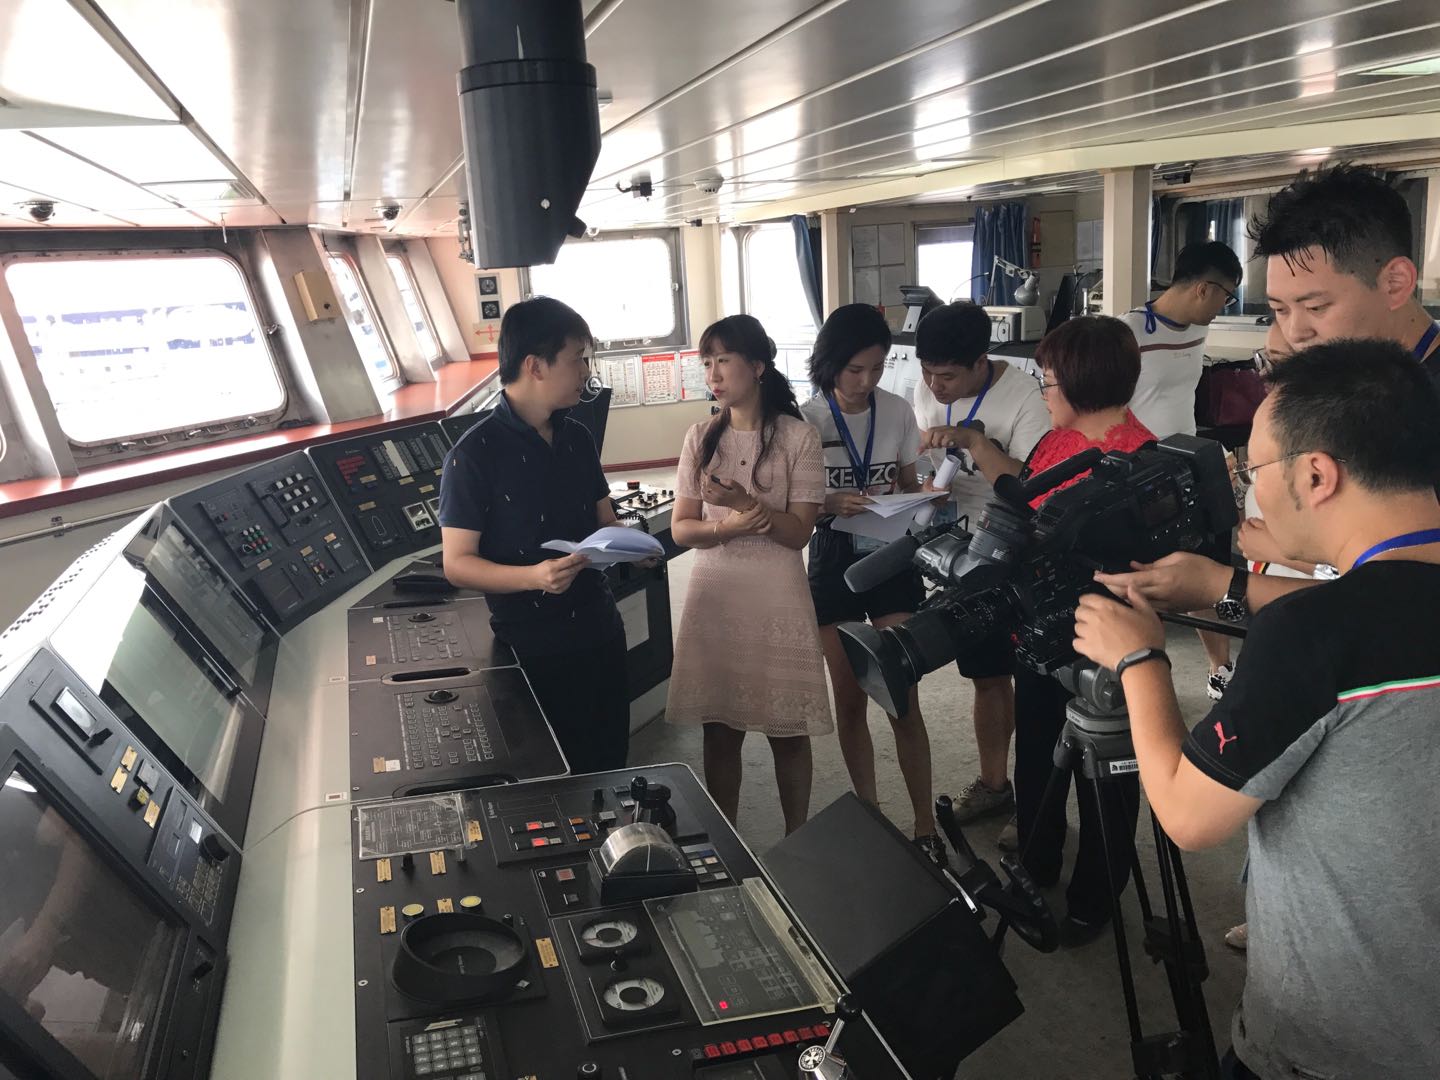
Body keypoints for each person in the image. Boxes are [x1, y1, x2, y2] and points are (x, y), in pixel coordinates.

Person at [1073, 339, 1440, 1080]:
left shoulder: (1312, 636)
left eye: (1255, 468)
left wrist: (1139, 660)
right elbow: (1389, 607)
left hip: (1336, 1047)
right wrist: (1226, 586)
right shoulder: (1346, 624)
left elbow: (1187, 816)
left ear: (1316, 474)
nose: (1251, 488)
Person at [1099, 162, 1440, 621]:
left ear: (1395, 282)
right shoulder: (1352, 387)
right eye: (1279, 309)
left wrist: (1228, 584)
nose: (1296, 333)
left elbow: (1411, 601)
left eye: (1315, 306)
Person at [928, 316, 1155, 944]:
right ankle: (1036, 860)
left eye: (1049, 380)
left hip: (1103, 639)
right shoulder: (1057, 439)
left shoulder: (1137, 457)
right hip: (1040, 625)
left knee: (1104, 772)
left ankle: (1094, 898)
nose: (1043, 390)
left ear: (1081, 381)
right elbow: (1024, 496)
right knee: (1037, 749)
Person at [439, 296, 630, 774]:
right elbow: (457, 563)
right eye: (577, 359)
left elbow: (605, 521)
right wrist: (534, 577)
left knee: (610, 760)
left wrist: (632, 545)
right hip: (534, 647)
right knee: (558, 776)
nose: (586, 371)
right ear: (535, 366)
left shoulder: (578, 437)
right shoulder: (473, 455)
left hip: (600, 627)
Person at [666, 315, 828, 835]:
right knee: (719, 729)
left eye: (723, 361)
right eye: (706, 363)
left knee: (788, 730)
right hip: (716, 594)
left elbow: (798, 533)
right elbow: (681, 529)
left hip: (777, 593)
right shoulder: (699, 437)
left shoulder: (799, 437)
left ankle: (798, 838)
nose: (712, 374)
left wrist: (742, 505)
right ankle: (727, 839)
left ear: (757, 366)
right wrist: (727, 528)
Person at [799, 303, 946, 865]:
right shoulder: (806, 420)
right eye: (854, 369)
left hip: (889, 552)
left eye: (878, 368)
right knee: (851, 698)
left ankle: (925, 824)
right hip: (833, 555)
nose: (866, 381)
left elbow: (906, 482)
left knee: (901, 695)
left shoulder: (897, 411)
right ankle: (871, 813)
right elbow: (795, 505)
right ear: (830, 363)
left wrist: (924, 494)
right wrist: (828, 502)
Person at [911, 301, 1050, 836]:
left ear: (980, 361)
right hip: (963, 551)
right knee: (987, 678)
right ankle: (996, 785)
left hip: (1022, 554)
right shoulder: (927, 388)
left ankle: (1036, 807)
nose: (934, 386)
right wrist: (927, 491)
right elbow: (926, 463)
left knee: (1036, 685)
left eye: (947, 376)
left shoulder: (1025, 397)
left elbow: (1034, 484)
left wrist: (975, 441)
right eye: (927, 373)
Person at [1120, 240, 1244, 701]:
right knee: (1145, 579)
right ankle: (1141, 681)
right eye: (1225, 296)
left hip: (1191, 462)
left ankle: (1220, 668)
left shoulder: (1196, 329)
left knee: (1205, 569)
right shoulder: (1128, 332)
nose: (1224, 306)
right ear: (1203, 288)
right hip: (1142, 474)